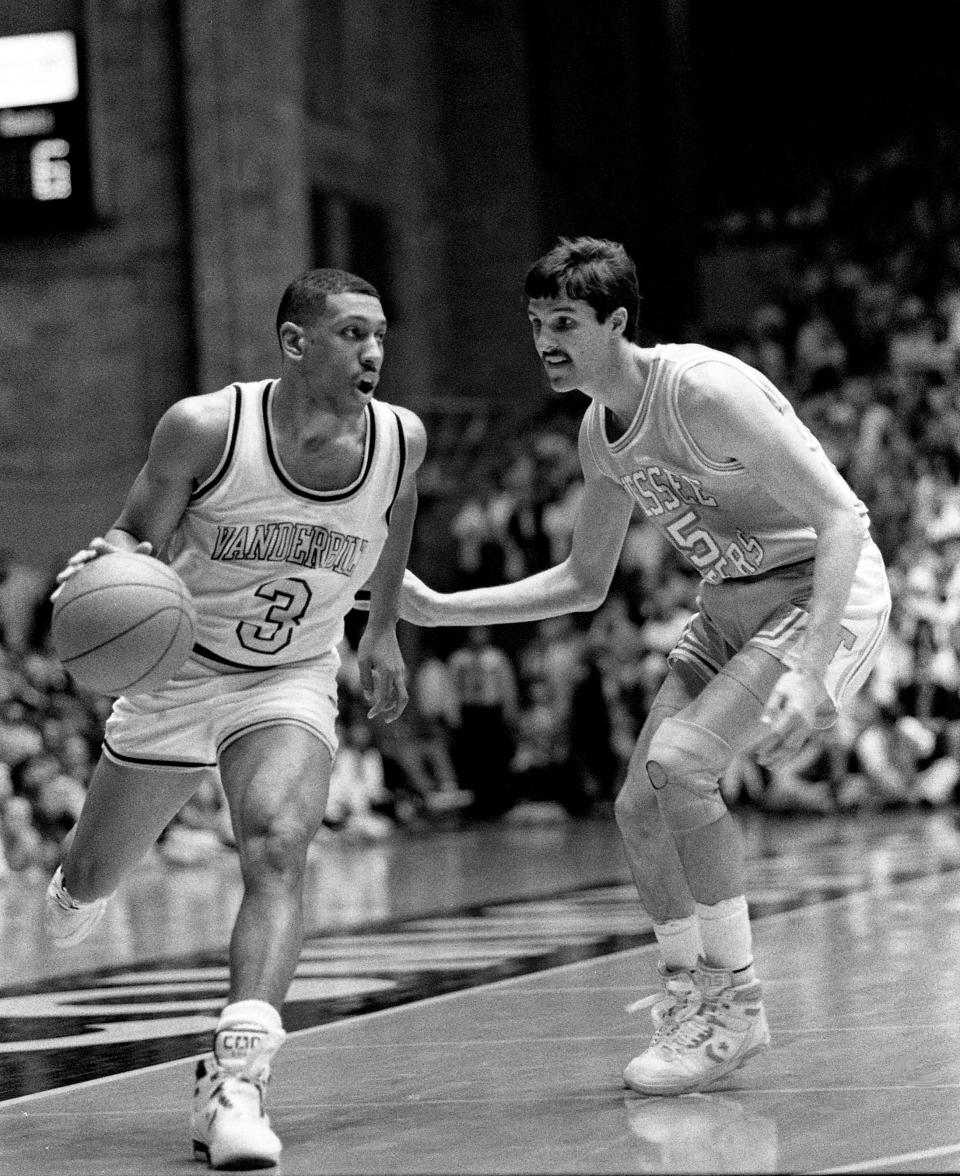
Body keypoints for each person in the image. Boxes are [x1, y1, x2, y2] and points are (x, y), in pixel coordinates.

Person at [387, 236, 891, 1096]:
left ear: (617, 322)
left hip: (818, 591)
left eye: (565, 322)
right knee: (636, 806)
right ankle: (688, 995)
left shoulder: (702, 391)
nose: (546, 340)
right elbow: (584, 582)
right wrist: (439, 607)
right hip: (731, 602)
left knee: (681, 767)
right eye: (536, 322)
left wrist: (809, 673)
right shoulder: (599, 431)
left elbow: (843, 515)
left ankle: (738, 1007)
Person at [44, 268, 426, 1168]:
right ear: (296, 344)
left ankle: (237, 1081)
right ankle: (75, 883)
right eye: (351, 334)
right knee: (91, 880)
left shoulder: (402, 438)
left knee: (279, 841)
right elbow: (136, 533)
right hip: (175, 675)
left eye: (380, 334)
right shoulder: (206, 427)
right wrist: (106, 565)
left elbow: (396, 520)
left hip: (288, 678)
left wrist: (381, 635)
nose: (373, 352)